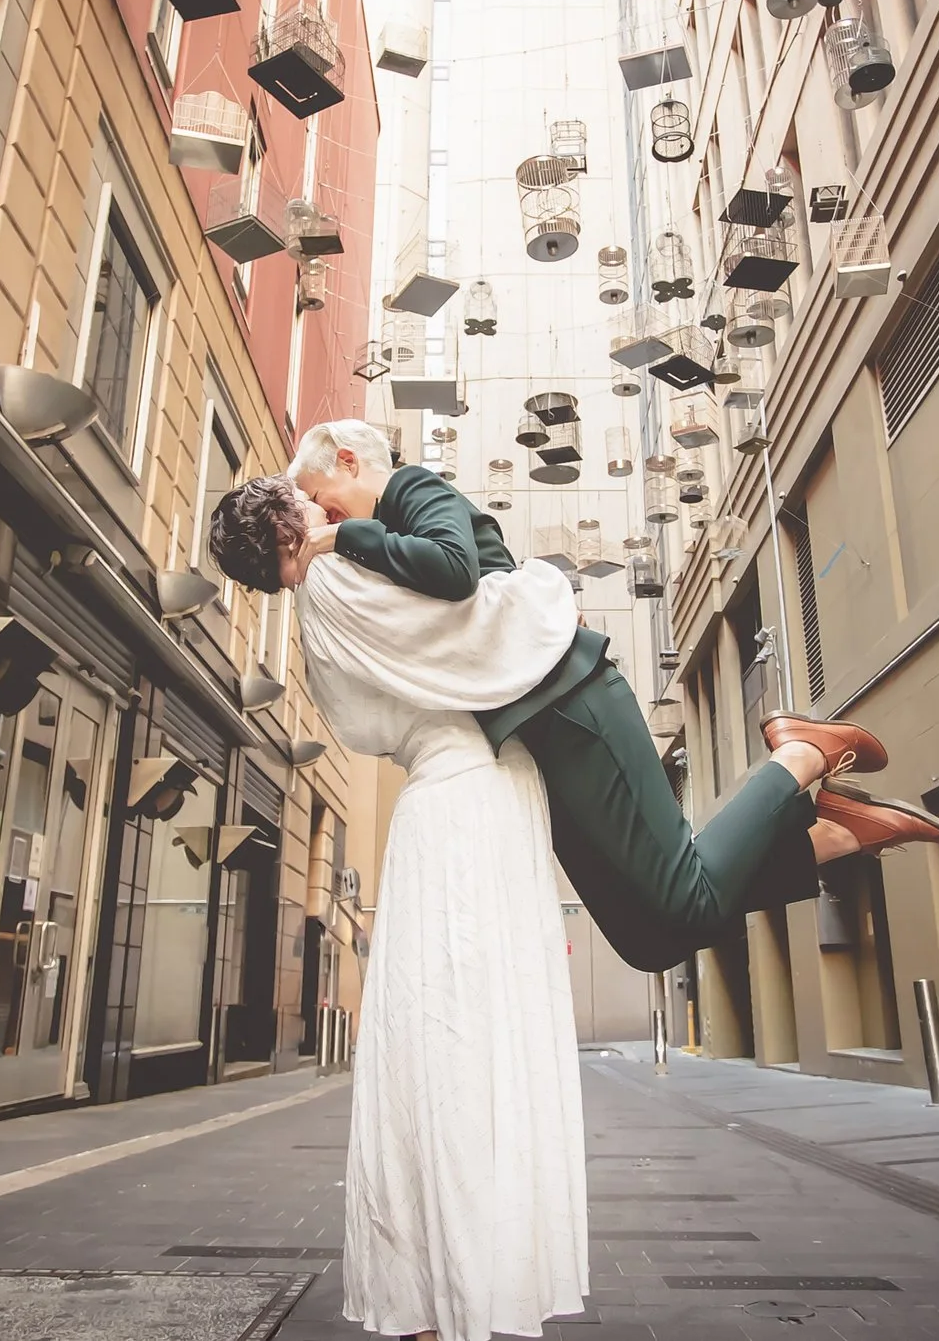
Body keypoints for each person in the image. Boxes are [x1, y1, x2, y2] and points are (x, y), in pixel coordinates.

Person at [280, 418, 939, 974]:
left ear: (348, 461)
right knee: (649, 943)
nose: (322, 521)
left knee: (684, 902)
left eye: (327, 501)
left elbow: (457, 573)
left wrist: (340, 533)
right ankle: (833, 836)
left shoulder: (411, 491)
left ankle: (802, 757)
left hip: (573, 704)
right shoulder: (381, 545)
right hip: (542, 733)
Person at [209, 476, 588, 1341]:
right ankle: (472, 1288)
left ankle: (424, 1294)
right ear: (286, 524)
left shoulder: (311, 624)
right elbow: (478, 629)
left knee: (424, 1049)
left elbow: (371, 724)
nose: (330, 510)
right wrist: (535, 584)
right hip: (475, 797)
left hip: (433, 803)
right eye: (308, 506)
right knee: (476, 1044)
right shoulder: (341, 576)